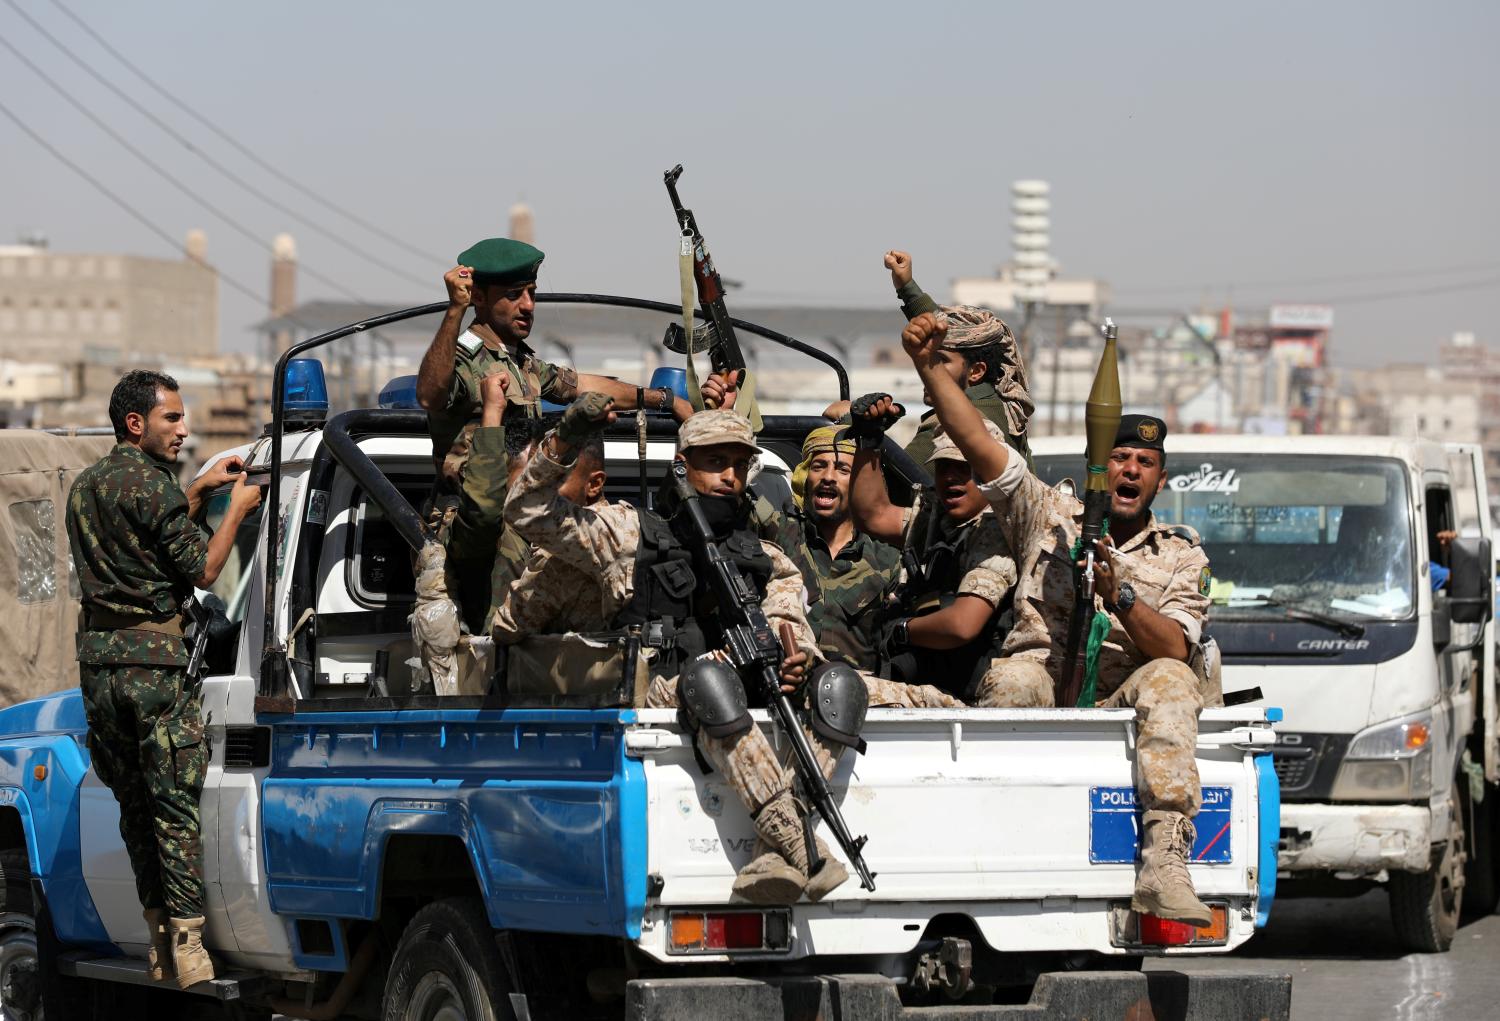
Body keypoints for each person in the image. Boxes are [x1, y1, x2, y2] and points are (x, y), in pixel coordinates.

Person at [505, 400, 960, 904]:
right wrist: (565, 438)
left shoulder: (765, 557)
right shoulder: (628, 532)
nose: (730, 476)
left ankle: (771, 853)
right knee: (709, 678)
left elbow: (791, 625)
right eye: (715, 462)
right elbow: (527, 511)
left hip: (744, 689)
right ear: (682, 466)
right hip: (662, 692)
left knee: (840, 685)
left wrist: (797, 660)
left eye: (740, 465)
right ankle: (800, 842)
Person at [886, 312, 1219, 928]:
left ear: (1160, 479)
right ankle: (989, 837)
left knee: (1174, 677)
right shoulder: (1049, 513)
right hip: (1042, 677)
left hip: (1123, 692)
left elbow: (1172, 644)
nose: (1129, 470)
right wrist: (929, 369)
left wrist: (1121, 597)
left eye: (1144, 462)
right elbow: (984, 448)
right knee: (1012, 681)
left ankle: (1166, 862)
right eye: (1118, 456)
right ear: (1100, 463)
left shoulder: (1180, 555)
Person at [65, 370, 262, 988]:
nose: (184, 429)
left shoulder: (86, 487)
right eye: (172, 418)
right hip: (153, 667)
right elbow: (203, 569)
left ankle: (156, 943)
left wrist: (198, 491)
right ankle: (189, 948)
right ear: (135, 424)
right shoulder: (152, 486)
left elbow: (143, 548)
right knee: (174, 807)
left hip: (100, 667)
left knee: (134, 808)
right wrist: (236, 509)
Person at [414, 238, 694, 630]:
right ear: (478, 296)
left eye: (531, 293)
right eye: (513, 295)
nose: (528, 306)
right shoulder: (463, 358)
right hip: (479, 525)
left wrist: (663, 399)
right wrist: (453, 312)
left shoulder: (522, 362)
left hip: (526, 510)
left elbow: (583, 385)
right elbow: (429, 394)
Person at [846, 406, 1017, 697]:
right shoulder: (938, 520)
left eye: (964, 468)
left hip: (974, 697)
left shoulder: (997, 531)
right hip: (932, 683)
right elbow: (872, 514)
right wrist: (868, 441)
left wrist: (902, 630)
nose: (951, 477)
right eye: (943, 467)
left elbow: (962, 625)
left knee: (850, 694)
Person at [765, 425, 899, 672]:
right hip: (788, 691)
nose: (828, 477)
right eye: (819, 467)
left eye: (842, 469)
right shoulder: (776, 532)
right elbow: (726, 502)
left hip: (862, 697)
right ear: (805, 478)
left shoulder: (887, 559)